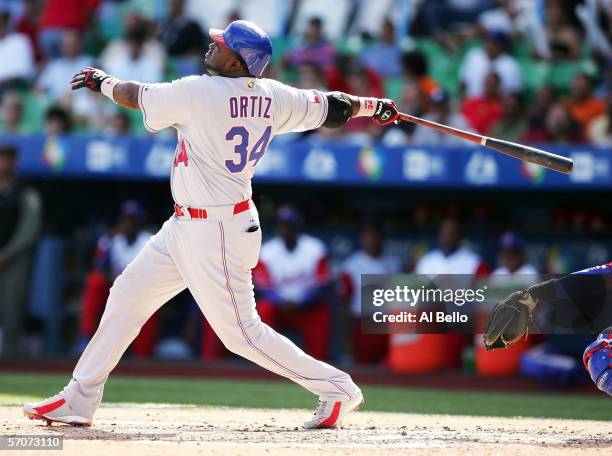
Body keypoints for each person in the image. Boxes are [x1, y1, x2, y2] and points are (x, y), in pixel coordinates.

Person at [24, 20, 401, 429]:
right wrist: (372, 105)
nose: (212, 45)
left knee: (241, 333)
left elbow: (133, 95)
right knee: (127, 295)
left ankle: (337, 388)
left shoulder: (200, 91)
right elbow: (334, 107)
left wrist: (102, 80)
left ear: (239, 62)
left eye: (221, 44)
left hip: (217, 229)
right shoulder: (273, 94)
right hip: (188, 225)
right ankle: (80, 399)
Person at [72, 201, 154, 357]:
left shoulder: (149, 240)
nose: (129, 224)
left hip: (139, 291)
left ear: (140, 223)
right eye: (126, 220)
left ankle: (142, 356)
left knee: (153, 300)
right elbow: (99, 267)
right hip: (114, 288)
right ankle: (85, 336)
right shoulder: (110, 240)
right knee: (94, 281)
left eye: (133, 220)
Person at [252, 206, 332, 361]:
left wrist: (301, 302)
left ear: (297, 226)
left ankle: (319, 367)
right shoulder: (267, 251)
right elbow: (263, 287)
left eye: (290, 225)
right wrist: (280, 301)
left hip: (307, 308)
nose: (286, 230)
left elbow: (322, 285)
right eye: (283, 226)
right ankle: (268, 362)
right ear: (278, 228)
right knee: (264, 308)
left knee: (322, 312)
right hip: (279, 309)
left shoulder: (315, 248)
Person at [0, 144, 42, 357]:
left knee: (11, 309)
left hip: (13, 258)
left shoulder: (24, 191)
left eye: (9, 159)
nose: (5, 164)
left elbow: (29, 228)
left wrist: (7, 253)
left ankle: (8, 359)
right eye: (2, 158)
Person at [339, 220, 400, 364]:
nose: (371, 239)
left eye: (374, 235)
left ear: (381, 237)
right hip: (363, 323)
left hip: (388, 323)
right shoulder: (351, 265)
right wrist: (347, 339)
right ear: (361, 238)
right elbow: (344, 304)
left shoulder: (393, 264)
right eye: (366, 235)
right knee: (365, 370)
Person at [459, 30, 522, 98]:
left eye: (494, 43)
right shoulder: (474, 56)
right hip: (472, 104)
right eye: (487, 41)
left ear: (502, 45)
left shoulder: (511, 65)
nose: (489, 46)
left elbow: (515, 94)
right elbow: (462, 84)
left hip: (499, 105)